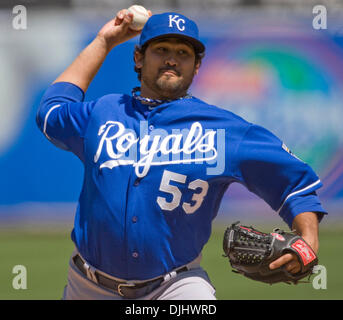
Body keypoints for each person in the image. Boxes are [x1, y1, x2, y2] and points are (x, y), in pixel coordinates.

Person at [36, 9, 327, 300]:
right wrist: (103, 41)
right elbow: (50, 111)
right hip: (88, 287)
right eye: (161, 49)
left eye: (183, 53)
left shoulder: (223, 130)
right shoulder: (103, 114)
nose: (172, 59)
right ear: (139, 58)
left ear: (197, 65)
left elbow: (294, 183)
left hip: (175, 287)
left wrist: (308, 240)